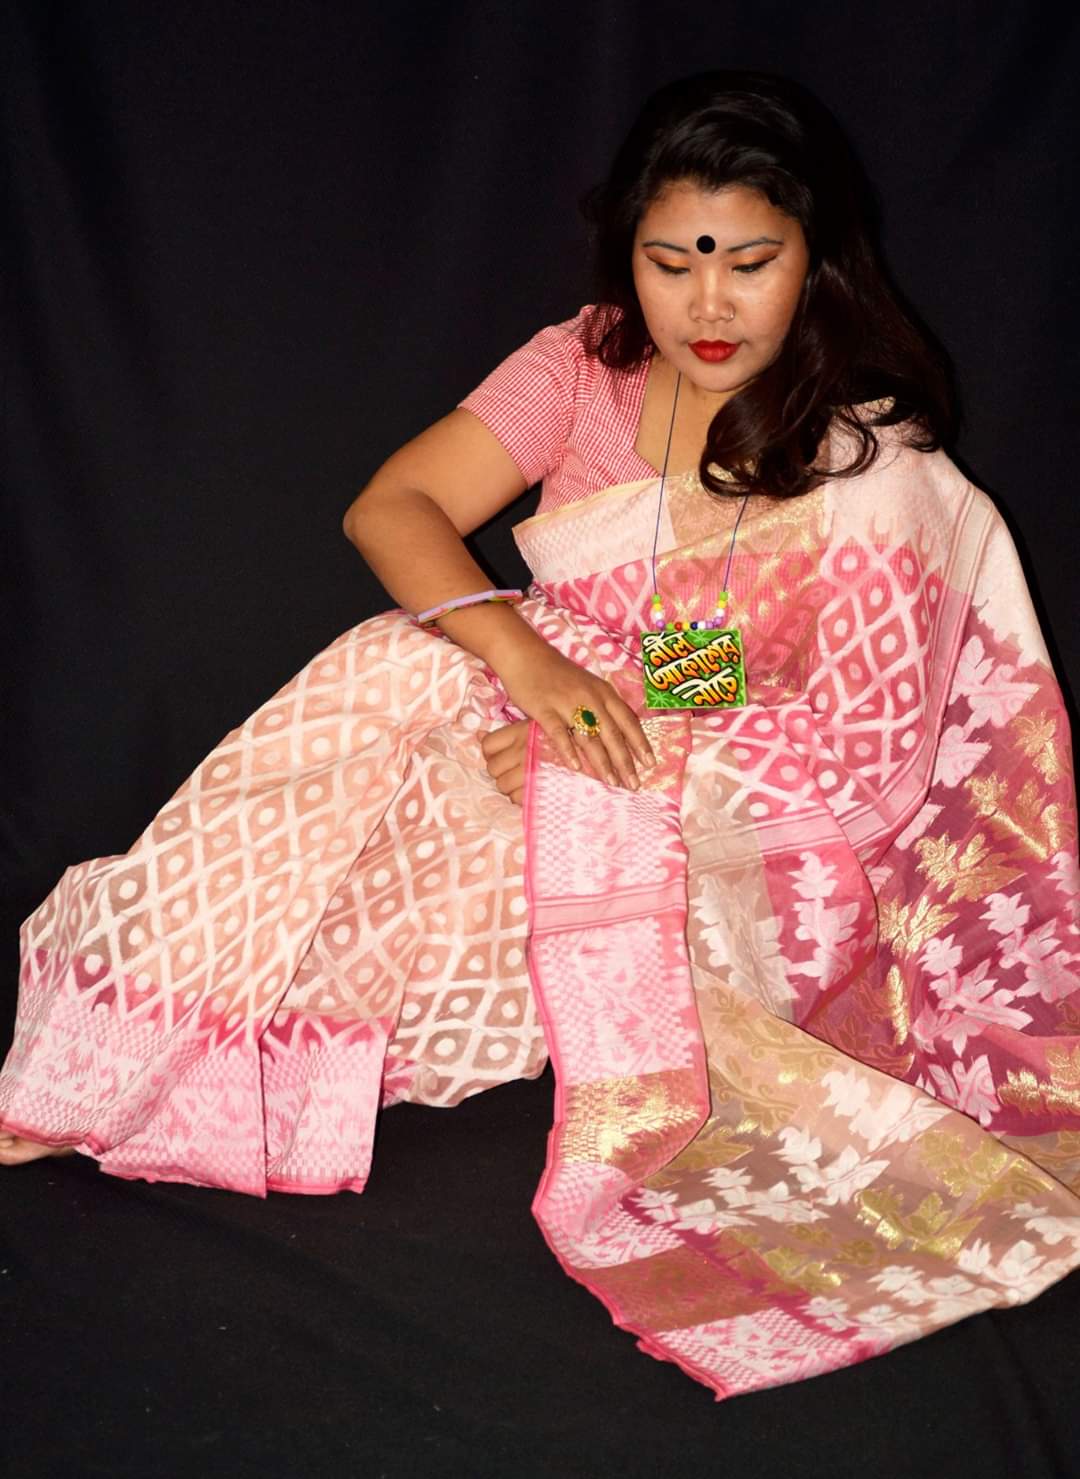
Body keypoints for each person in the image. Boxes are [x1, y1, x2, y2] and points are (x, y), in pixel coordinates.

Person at [2, 71, 1079, 1401]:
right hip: (536, 698)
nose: (709, 304)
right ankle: (98, 1062)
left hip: (694, 803)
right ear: (628, 254)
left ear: (818, 258)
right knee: (385, 680)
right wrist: (535, 669)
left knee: (469, 894)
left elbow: (851, 712)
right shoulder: (581, 365)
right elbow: (393, 507)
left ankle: (208, 1068)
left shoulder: (865, 453)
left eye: (750, 262)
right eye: (673, 262)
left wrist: (623, 732)